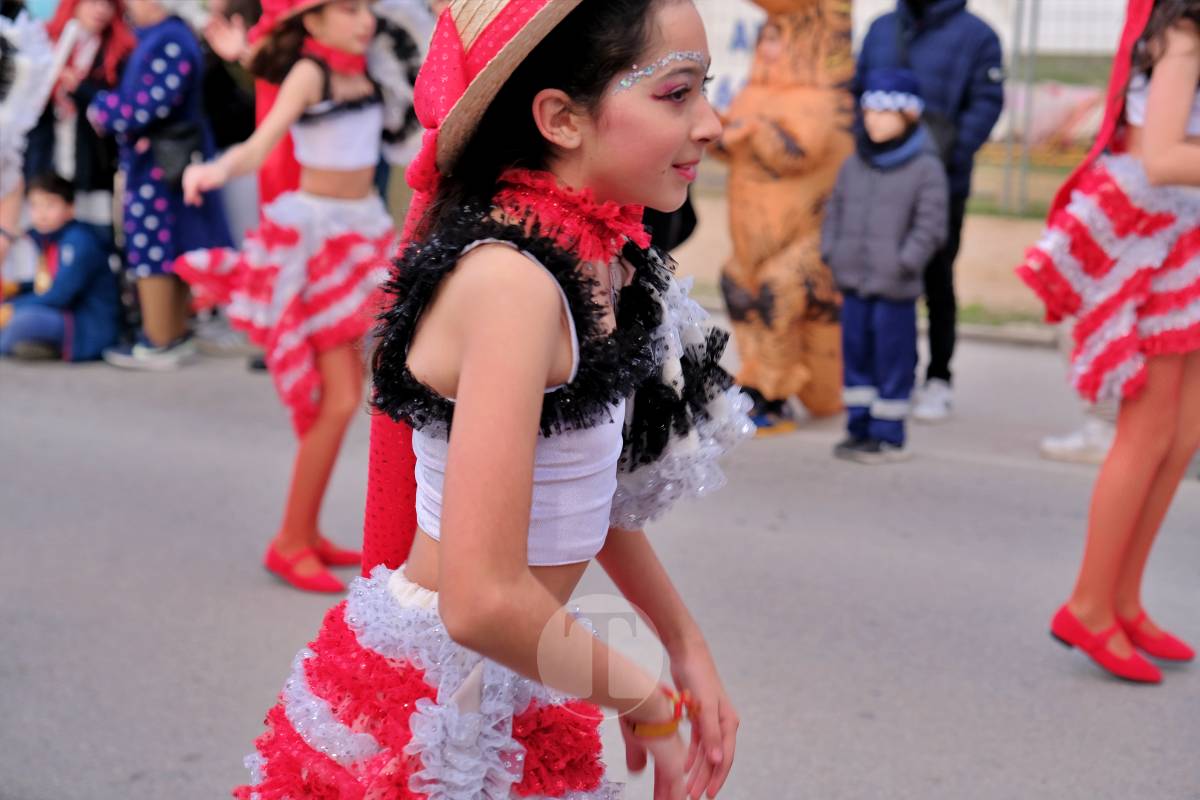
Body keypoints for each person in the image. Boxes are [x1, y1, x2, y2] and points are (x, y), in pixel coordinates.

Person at [231, 1, 751, 797]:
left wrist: (683, 643)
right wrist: (648, 702)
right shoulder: (513, 284)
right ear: (561, 118)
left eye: (704, 90)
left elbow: (572, 494)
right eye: (676, 93)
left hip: (518, 672)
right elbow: (479, 603)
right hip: (434, 704)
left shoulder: (595, 256)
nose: (711, 125)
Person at [173, 0, 412, 593]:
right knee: (339, 400)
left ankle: (304, 532)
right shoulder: (309, 72)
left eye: (366, 8)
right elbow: (261, 145)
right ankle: (289, 541)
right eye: (349, 9)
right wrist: (214, 172)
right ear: (313, 19)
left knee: (346, 399)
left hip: (365, 235)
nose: (364, 19)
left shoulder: (371, 66)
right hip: (318, 243)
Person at [1018, 0, 1200, 683]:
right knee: (1147, 434)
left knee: (1182, 436)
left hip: (1185, 235)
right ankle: (1089, 605)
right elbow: (1161, 155)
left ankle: (1123, 601)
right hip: (1152, 236)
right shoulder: (1185, 27)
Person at [855, 0, 1004, 422]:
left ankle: (938, 378)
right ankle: (889, 375)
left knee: (936, 281)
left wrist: (941, 156)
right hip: (878, 181)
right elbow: (856, 92)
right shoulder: (882, 28)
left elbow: (986, 103)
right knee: (880, 279)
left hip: (941, 184)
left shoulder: (978, 36)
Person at [86, 0, 233, 369]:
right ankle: (170, 335)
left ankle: (160, 339)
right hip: (160, 162)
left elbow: (146, 106)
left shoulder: (170, 38)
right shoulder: (161, 35)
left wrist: (101, 108)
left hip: (163, 163)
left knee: (154, 247)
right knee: (164, 246)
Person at [823, 68, 948, 464]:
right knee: (856, 356)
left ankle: (889, 436)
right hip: (853, 281)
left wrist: (905, 262)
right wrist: (832, 251)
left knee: (892, 360)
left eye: (884, 112)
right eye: (869, 111)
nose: (873, 120)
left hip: (894, 286)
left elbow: (931, 226)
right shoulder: (854, 164)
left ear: (908, 115)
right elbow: (834, 211)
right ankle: (859, 428)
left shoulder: (925, 168)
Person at [24, 0, 134, 231]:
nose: (101, 10)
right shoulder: (45, 41)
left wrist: (81, 88)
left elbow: (118, 107)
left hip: (91, 166)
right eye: (93, 2)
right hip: (46, 163)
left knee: (89, 235)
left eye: (108, 4)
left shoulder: (116, 51)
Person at [0, 172, 120, 360]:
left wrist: (13, 308)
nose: (41, 214)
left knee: (21, 321)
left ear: (70, 208)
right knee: (10, 308)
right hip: (64, 314)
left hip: (87, 326)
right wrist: (18, 288)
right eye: (34, 205)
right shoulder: (50, 239)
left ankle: (24, 344)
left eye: (50, 205)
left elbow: (60, 294)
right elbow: (50, 283)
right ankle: (39, 346)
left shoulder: (78, 240)